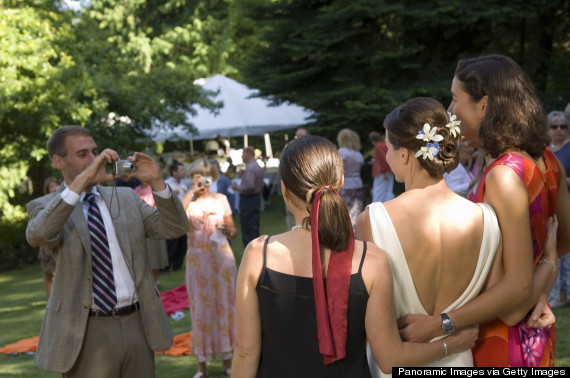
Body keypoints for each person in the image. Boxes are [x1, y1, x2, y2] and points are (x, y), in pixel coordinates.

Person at [231, 135, 478, 378]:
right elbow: (391, 359)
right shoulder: (369, 261)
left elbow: (245, 352)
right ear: (340, 181)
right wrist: (450, 346)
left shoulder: (257, 255)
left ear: (284, 189)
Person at [396, 54, 570, 367]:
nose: (449, 111)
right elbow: (563, 238)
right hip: (533, 339)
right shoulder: (547, 160)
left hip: (503, 345)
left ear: (485, 105)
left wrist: (440, 323)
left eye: (454, 99)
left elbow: (513, 304)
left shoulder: (504, 176)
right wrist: (542, 282)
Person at [25, 125, 189, 377]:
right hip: (87, 329)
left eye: (95, 151)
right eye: (83, 155)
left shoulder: (126, 197)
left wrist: (157, 182)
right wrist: (82, 181)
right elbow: (39, 235)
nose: (94, 160)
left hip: (138, 320)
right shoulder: (46, 206)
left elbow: (175, 226)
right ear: (59, 161)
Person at [356, 97, 502, 374]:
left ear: (404, 154)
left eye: (388, 148)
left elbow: (367, 317)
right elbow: (496, 300)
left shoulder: (373, 220)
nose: (386, 158)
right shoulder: (486, 219)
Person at [180, 158, 238, 378]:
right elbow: (176, 222)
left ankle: (228, 360)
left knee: (225, 306)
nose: (200, 179)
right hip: (197, 262)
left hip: (221, 259)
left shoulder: (221, 199)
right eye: (196, 175)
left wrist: (224, 228)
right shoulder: (187, 202)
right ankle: (201, 365)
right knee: (200, 311)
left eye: (204, 176)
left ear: (212, 177)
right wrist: (190, 193)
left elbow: (233, 232)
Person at [546, 110, 570, 308]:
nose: (559, 130)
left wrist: (562, 180)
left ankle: (565, 293)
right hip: (550, 208)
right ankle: (557, 293)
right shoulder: (545, 151)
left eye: (563, 126)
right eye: (555, 127)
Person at [134, 180, 169, 285]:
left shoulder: (154, 189)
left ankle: (155, 281)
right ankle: (148, 282)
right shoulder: (136, 190)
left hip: (153, 224)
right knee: (144, 256)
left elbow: (161, 207)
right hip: (140, 227)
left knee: (155, 255)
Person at [231, 147, 264, 248]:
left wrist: (238, 188)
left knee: (248, 228)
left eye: (243, 153)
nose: (241, 156)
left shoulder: (250, 167)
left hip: (248, 200)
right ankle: (257, 250)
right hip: (254, 199)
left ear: (248, 154)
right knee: (253, 226)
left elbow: (249, 186)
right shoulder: (254, 165)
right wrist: (243, 175)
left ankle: (251, 251)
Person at [37, 177, 60, 297]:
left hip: (61, 240)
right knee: (48, 273)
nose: (55, 188)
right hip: (47, 243)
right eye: (52, 186)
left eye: (57, 185)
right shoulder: (43, 203)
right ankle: (51, 299)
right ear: (47, 190)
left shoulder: (66, 200)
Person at [337, 128, 365, 227]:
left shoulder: (342, 152)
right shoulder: (358, 154)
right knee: (356, 212)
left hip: (345, 185)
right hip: (357, 183)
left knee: (344, 213)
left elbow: (340, 169)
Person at [164, 160, 188, 272]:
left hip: (183, 216)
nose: (184, 172)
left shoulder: (182, 184)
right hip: (172, 217)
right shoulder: (167, 183)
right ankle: (166, 267)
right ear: (174, 172)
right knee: (172, 243)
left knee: (183, 242)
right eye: (181, 170)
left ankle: (177, 265)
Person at [369, 131, 394, 203]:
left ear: (373, 140)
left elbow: (384, 158)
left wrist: (384, 170)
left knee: (378, 191)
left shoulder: (378, 146)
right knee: (388, 191)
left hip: (381, 172)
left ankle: (376, 210)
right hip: (389, 170)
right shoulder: (384, 144)